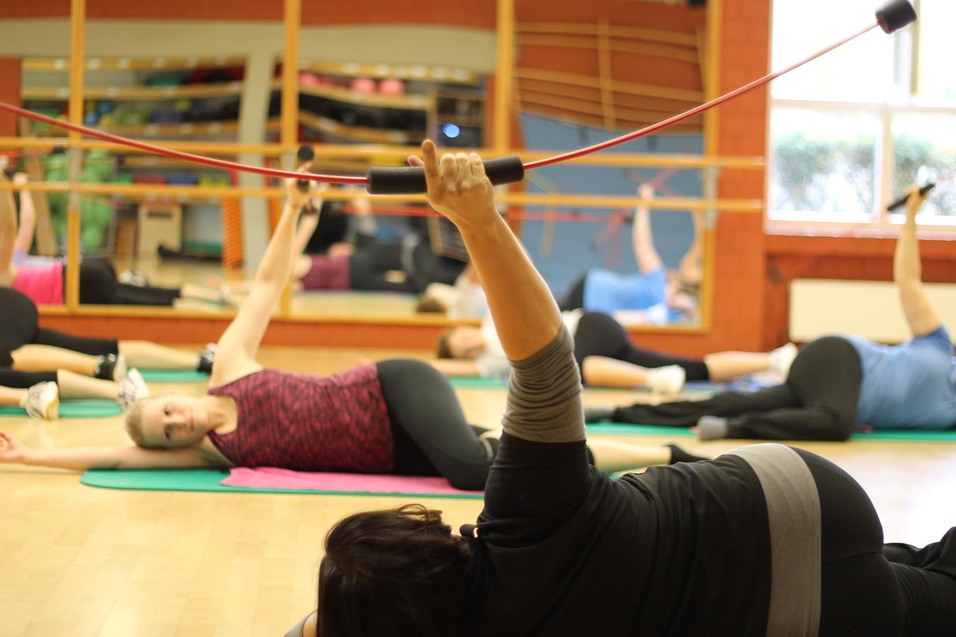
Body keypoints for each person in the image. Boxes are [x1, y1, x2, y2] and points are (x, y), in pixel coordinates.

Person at [288, 141, 956, 637]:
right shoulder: (523, 521)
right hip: (793, 529)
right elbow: (548, 361)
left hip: (793, 566)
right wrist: (477, 219)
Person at [0, 163, 701, 489]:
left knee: (473, 469)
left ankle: (601, 471)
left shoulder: (232, 367)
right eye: (167, 432)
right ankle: (669, 457)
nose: (176, 423)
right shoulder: (211, 451)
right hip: (394, 451)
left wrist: (291, 213)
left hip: (393, 390)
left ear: (164, 396)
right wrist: (33, 460)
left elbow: (270, 283)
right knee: (508, 451)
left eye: (165, 413)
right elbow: (114, 456)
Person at [586, 185, 956, 441]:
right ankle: (737, 429)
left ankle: (617, 414)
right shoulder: (939, 345)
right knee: (835, 423)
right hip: (839, 360)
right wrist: (910, 216)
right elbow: (908, 278)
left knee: (730, 403)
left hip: (822, 398)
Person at [430, 306, 797, 393]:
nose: (468, 346)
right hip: (602, 348)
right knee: (694, 368)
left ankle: (652, 380)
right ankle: (773, 360)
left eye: (461, 339)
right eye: (462, 350)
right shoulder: (487, 364)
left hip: (590, 327)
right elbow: (442, 370)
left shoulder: (491, 318)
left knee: (578, 370)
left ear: (464, 328)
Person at [0, 172, 233, 307]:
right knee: (151, 294)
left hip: (79, 280)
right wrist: (22, 187)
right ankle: (214, 297)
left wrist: (10, 185)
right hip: (84, 268)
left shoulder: (5, 271)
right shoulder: (11, 262)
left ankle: (207, 307)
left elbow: (13, 226)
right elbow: (24, 222)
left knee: (150, 302)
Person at [0, 287, 216, 381]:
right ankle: (201, 360)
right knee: (101, 347)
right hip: (14, 311)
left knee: (10, 360)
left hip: (11, 320)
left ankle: (100, 367)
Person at [560, 183, 702, 324]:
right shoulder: (667, 304)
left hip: (593, 294)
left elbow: (642, 243)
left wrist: (643, 203)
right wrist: (698, 215)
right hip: (592, 294)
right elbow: (699, 248)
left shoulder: (658, 286)